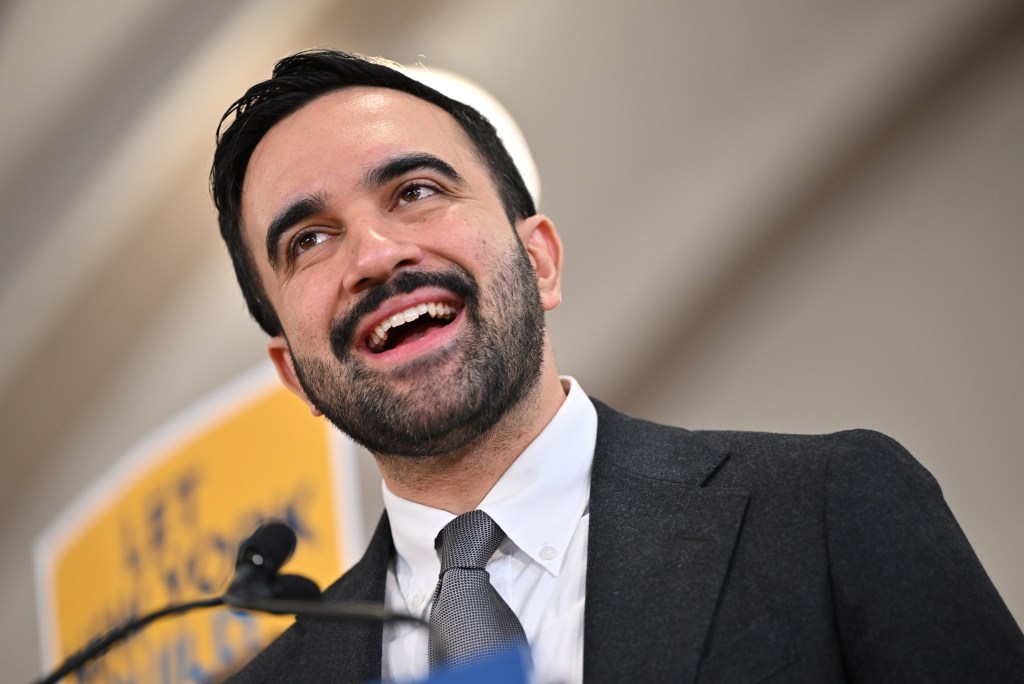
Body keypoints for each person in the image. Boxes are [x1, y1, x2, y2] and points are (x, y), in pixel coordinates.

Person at [210, 50, 1024, 683]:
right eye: (307, 241)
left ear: (541, 263)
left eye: (416, 191)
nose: (375, 255)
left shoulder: (824, 509)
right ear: (294, 375)